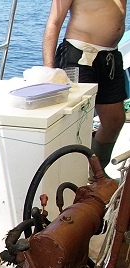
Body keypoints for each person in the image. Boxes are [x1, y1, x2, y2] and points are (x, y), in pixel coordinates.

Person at [43, 0, 127, 173]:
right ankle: (73, 176)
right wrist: (49, 70)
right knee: (77, 123)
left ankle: (95, 175)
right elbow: (54, 21)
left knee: (114, 121)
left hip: (110, 57)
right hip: (79, 56)